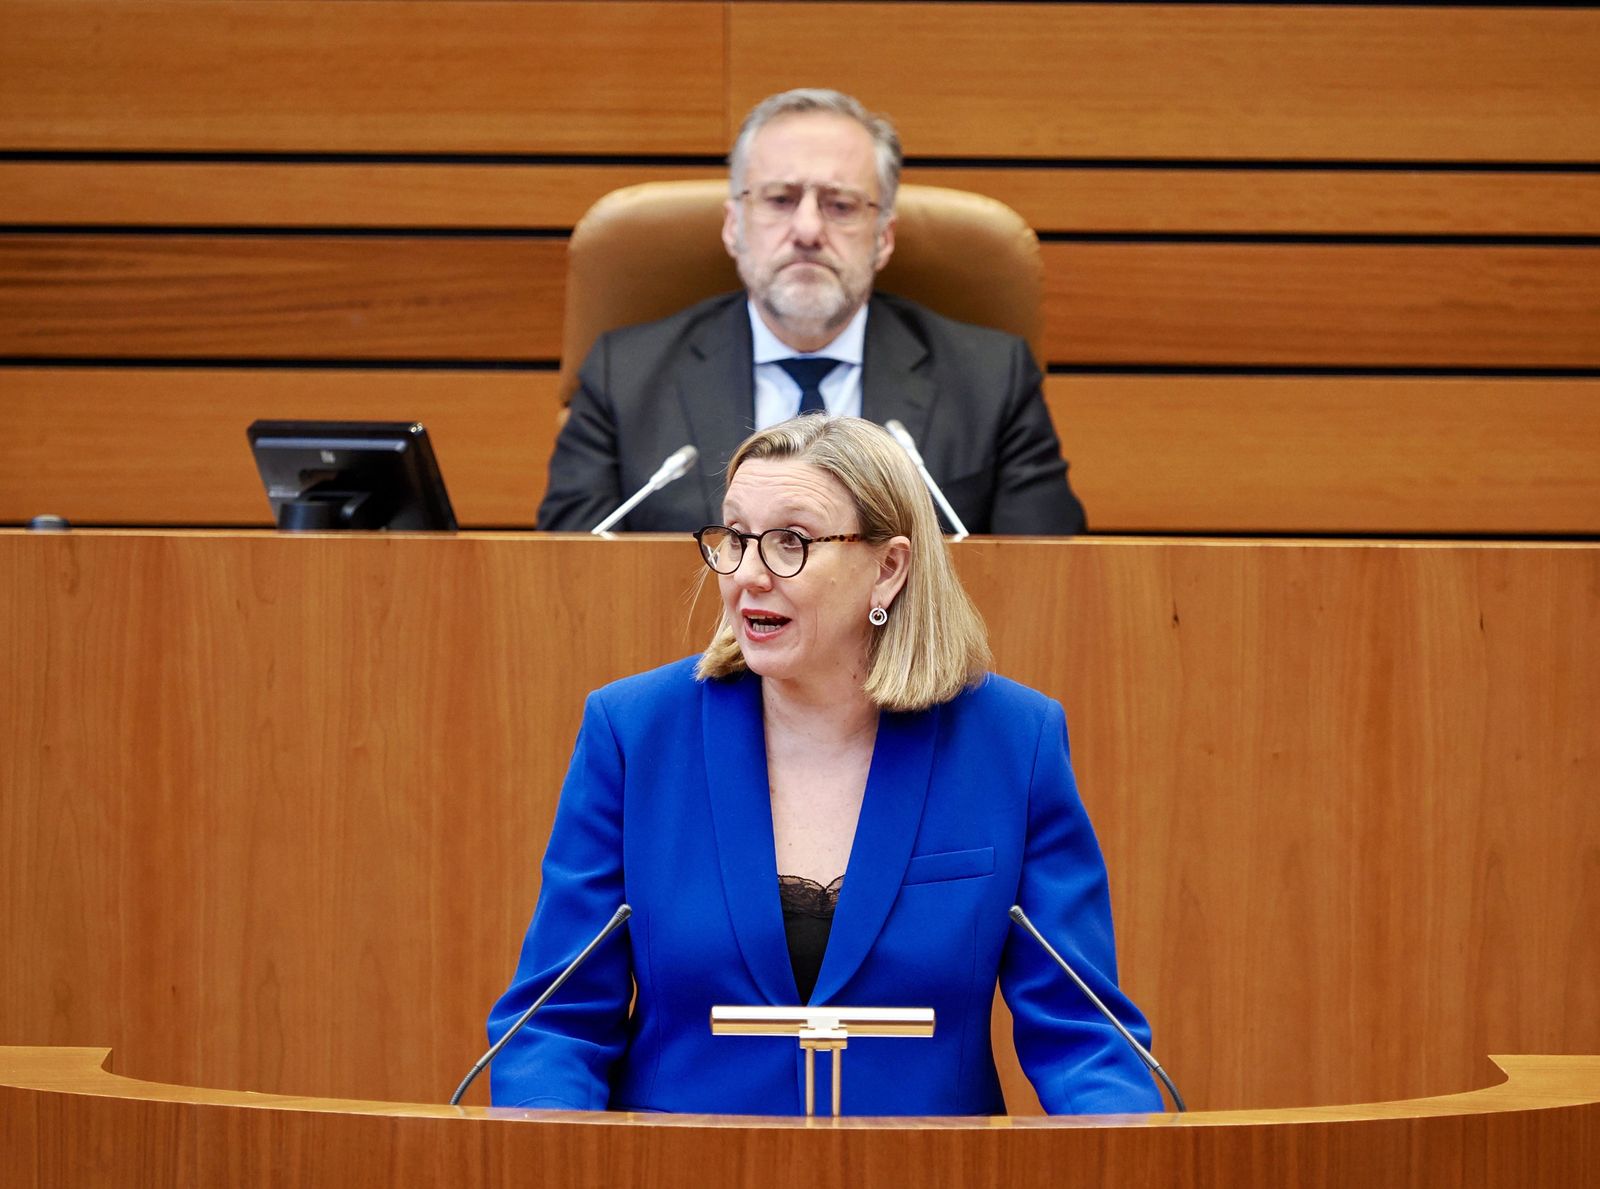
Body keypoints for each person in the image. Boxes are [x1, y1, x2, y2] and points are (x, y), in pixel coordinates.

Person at [490, 415, 1160, 1116]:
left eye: (790, 542)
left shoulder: (1010, 742)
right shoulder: (635, 733)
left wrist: (1125, 1140)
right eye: (735, 537)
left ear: (889, 568)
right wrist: (549, 1135)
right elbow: (555, 1019)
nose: (747, 574)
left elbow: (1084, 1035)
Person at [537, 88, 1087, 536]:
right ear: (734, 225)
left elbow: (1048, 581)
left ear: (883, 237)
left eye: (840, 205)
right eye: (779, 199)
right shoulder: (625, 376)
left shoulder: (990, 380)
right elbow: (570, 578)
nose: (806, 230)